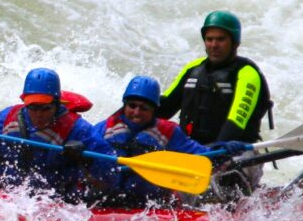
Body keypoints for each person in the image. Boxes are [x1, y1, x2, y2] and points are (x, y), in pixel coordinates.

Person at [157, 10, 271, 196]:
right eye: (209, 39)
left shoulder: (247, 73)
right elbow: (163, 107)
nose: (213, 45)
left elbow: (237, 119)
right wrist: (120, 120)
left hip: (234, 151)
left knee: (224, 179)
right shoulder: (193, 69)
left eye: (220, 39)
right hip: (192, 150)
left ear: (235, 42)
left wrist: (219, 149)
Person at [89, 75, 218, 207]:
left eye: (143, 108)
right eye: (132, 106)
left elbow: (201, 155)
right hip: (107, 198)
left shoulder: (169, 132)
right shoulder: (106, 127)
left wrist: (221, 149)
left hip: (151, 204)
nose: (136, 112)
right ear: (125, 106)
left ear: (154, 110)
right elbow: (85, 145)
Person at [0, 67, 109, 198]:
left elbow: (110, 174)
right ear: (24, 102)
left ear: (57, 104)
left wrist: (86, 159)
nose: (39, 114)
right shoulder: (7, 116)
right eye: (33, 107)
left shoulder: (79, 129)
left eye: (45, 108)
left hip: (57, 202)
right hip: (7, 197)